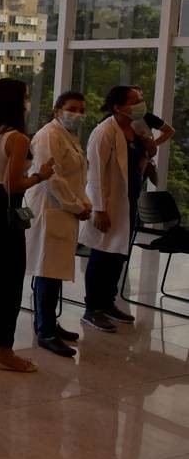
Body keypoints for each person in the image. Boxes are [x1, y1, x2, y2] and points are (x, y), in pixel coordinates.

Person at [0, 78, 54, 373]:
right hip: (3, 209)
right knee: (9, 281)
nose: (28, 102)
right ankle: (5, 350)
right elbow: (13, 183)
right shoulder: (17, 138)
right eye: (26, 96)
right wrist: (40, 176)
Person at [79, 85, 157, 332]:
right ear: (118, 106)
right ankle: (92, 308)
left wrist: (148, 145)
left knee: (119, 255)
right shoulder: (104, 132)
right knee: (102, 254)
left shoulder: (137, 126)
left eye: (141, 99)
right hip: (109, 202)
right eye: (135, 100)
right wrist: (99, 209)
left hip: (130, 200)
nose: (140, 103)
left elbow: (148, 153)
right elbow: (96, 174)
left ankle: (109, 302)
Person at [24, 91, 91, 357]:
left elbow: (78, 176)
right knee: (47, 270)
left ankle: (49, 322)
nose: (77, 114)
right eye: (72, 108)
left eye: (81, 110)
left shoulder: (69, 136)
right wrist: (76, 206)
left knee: (54, 270)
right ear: (57, 110)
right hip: (50, 209)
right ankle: (46, 331)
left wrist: (83, 203)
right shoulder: (48, 135)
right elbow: (51, 179)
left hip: (66, 210)